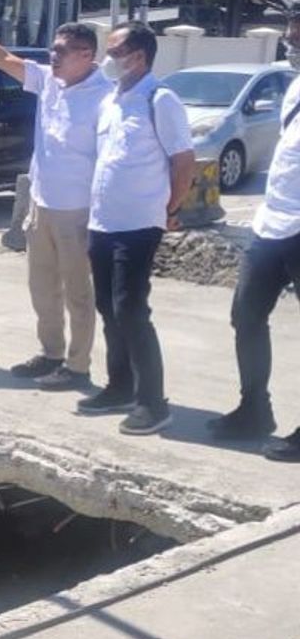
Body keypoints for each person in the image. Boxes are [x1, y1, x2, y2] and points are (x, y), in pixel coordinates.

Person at [0, 11, 110, 391]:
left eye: (60, 51)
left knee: (78, 291)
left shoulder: (106, 97)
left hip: (78, 210)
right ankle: (51, 353)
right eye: (52, 50)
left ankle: (78, 367)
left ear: (86, 55)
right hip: (41, 203)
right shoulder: (48, 81)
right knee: (42, 287)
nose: (52, 57)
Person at [75, 22, 195, 435]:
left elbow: (184, 162)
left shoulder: (160, 99)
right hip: (104, 222)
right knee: (108, 307)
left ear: (138, 56)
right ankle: (120, 385)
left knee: (131, 308)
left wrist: (168, 208)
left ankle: (153, 402)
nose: (106, 60)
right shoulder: (111, 99)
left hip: (139, 224)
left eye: (113, 52)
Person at [209, 10, 300, 459]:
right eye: (289, 29)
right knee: (245, 316)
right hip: (273, 222)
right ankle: (254, 409)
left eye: (298, 31)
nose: (290, 39)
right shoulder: (295, 87)